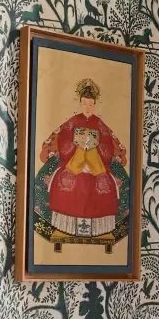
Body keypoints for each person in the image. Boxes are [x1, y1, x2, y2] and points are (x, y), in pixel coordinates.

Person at [38, 78, 125, 239]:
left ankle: (98, 230)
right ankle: (66, 227)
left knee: (105, 185)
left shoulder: (100, 124)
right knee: (64, 182)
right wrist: (76, 145)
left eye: (91, 104)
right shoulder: (72, 122)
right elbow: (62, 140)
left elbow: (108, 145)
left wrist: (95, 147)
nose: (87, 107)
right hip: (73, 162)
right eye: (84, 103)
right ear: (80, 103)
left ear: (95, 104)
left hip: (96, 164)